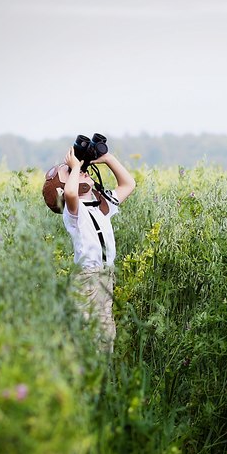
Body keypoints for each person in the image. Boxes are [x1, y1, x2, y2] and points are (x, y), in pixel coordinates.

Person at [62, 147, 136, 354]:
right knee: (88, 334)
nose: (84, 171)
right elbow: (69, 192)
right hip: (87, 277)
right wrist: (75, 166)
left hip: (105, 275)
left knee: (106, 333)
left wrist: (107, 158)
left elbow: (129, 184)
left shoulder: (100, 205)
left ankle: (103, 377)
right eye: (75, 172)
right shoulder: (73, 210)